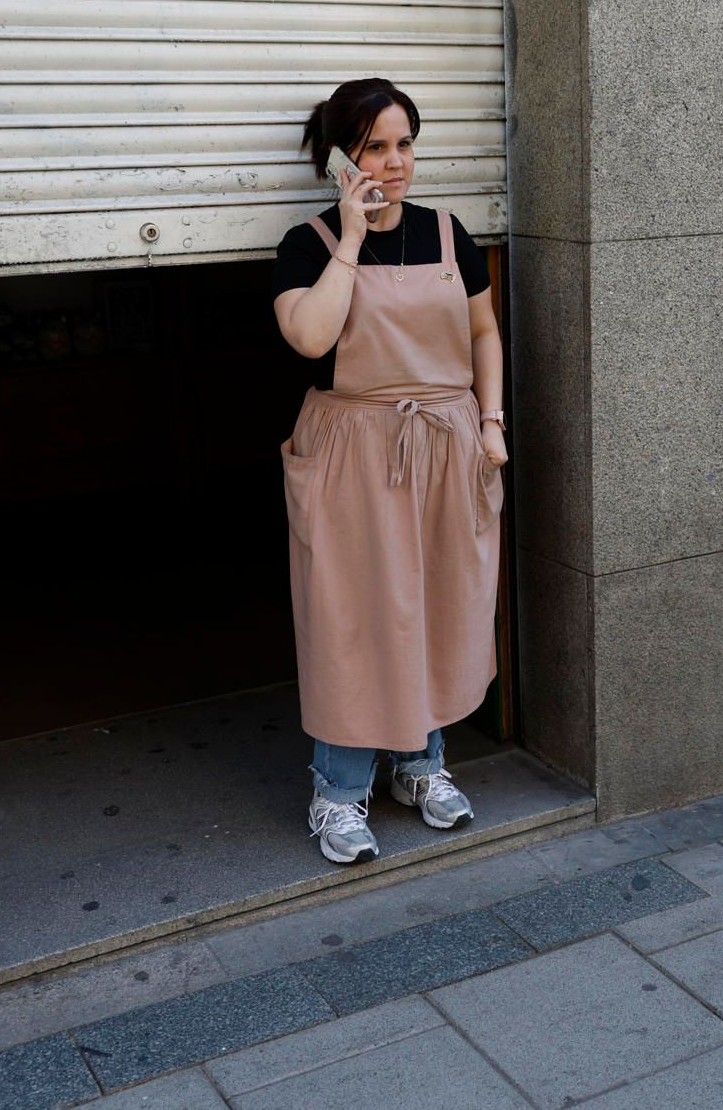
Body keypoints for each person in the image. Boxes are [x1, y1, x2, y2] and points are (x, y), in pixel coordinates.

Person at [270, 78, 507, 864]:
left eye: (405, 143)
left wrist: (492, 423)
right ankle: (338, 792)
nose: (395, 161)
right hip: (353, 450)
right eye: (375, 147)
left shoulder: (448, 232)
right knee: (355, 613)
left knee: (434, 602)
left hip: (444, 443)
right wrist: (350, 236)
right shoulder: (307, 244)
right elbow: (310, 337)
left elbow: (483, 332)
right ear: (340, 158)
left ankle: (420, 764)